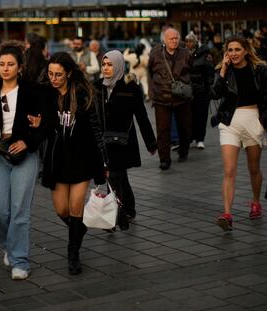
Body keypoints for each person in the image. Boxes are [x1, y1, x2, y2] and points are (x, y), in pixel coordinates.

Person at [0, 43, 47, 280]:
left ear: (20, 68)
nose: (5, 68)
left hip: (24, 155)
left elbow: (46, 124)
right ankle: (9, 246)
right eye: (2, 64)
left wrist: (28, 142)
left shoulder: (33, 91)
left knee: (19, 211)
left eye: (10, 64)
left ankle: (20, 261)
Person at [41, 52, 107, 275]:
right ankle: (79, 229)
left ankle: (73, 254)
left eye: (58, 74)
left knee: (76, 206)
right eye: (50, 74)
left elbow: (96, 128)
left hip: (82, 158)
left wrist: (103, 159)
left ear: (68, 73)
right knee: (61, 209)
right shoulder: (47, 94)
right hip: (57, 160)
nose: (54, 78)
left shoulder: (82, 94)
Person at [211, 35, 267, 231]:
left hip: (253, 120)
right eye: (230, 50)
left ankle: (255, 201)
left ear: (245, 50)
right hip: (229, 122)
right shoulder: (223, 71)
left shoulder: (259, 70)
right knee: (229, 171)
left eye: (237, 49)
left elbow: (266, 97)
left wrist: (263, 121)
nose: (233, 53)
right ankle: (227, 214)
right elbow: (215, 94)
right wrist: (224, 70)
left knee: (254, 169)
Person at [94, 50, 157, 221]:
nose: (106, 68)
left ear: (119, 66)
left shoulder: (131, 88)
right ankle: (129, 208)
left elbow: (142, 118)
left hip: (123, 142)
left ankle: (113, 216)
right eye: (104, 64)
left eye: (110, 65)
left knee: (114, 176)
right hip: (103, 142)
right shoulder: (96, 87)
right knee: (120, 176)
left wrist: (151, 143)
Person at [148, 27, 192, 170]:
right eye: (171, 38)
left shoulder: (186, 53)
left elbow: (192, 72)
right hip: (161, 97)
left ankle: (184, 150)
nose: (174, 41)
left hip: (181, 97)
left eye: (176, 38)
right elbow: (150, 72)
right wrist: (152, 91)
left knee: (185, 127)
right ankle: (164, 159)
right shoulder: (155, 53)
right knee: (163, 130)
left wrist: (190, 89)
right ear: (164, 40)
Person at [185, 33, 215, 149]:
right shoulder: (183, 53)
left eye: (190, 41)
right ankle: (191, 137)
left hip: (202, 90)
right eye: (186, 41)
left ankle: (200, 139)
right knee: (189, 115)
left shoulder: (205, 53)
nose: (188, 44)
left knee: (201, 115)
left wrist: (209, 87)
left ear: (195, 42)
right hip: (188, 90)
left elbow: (210, 71)